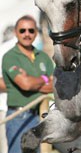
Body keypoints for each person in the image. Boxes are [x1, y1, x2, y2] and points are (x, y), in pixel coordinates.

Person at [2, 15, 54, 153]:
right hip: (18, 116)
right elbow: (25, 84)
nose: (27, 34)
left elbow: (56, 84)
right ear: (15, 32)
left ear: (36, 32)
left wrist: (32, 81)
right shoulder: (10, 57)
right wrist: (45, 78)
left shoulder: (43, 57)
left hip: (40, 116)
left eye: (31, 30)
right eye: (22, 30)